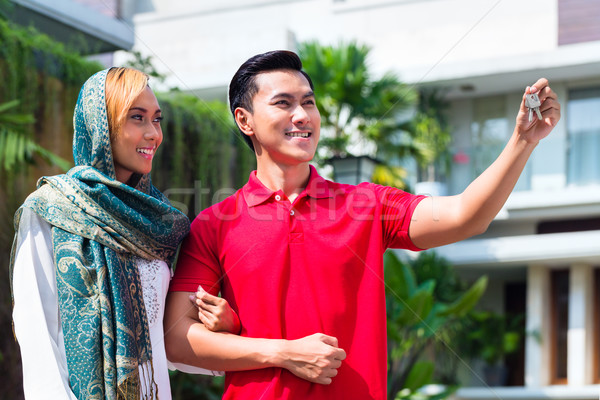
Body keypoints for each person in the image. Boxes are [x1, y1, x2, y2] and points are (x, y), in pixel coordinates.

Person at [164, 50, 561, 399]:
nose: (302, 116)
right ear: (244, 120)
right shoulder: (214, 224)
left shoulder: (366, 204)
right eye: (283, 103)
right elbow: (177, 339)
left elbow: (466, 216)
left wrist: (522, 141)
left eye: (309, 102)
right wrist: (284, 353)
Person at [10, 67, 239, 400]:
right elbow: (37, 334)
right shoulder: (51, 209)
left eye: (156, 120)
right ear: (102, 125)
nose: (153, 134)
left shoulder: (158, 224)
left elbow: (167, 343)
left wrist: (223, 329)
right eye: (137, 118)